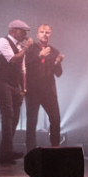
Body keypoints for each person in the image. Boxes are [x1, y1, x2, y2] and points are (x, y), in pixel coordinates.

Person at [0, 20, 31, 164]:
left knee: (14, 117)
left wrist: (24, 89)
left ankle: (4, 154)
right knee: (8, 113)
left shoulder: (20, 47)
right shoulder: (3, 42)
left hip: (15, 85)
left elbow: (23, 70)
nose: (26, 34)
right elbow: (13, 61)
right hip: (1, 82)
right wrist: (26, 48)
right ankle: (8, 150)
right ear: (14, 30)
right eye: (23, 31)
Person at [25, 23, 64, 151]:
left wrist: (57, 63)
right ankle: (31, 150)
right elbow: (26, 66)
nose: (44, 34)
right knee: (32, 120)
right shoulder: (31, 49)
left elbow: (58, 74)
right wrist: (39, 56)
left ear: (50, 35)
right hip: (33, 89)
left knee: (55, 118)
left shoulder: (54, 51)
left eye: (47, 32)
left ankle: (55, 147)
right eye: (42, 32)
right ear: (37, 34)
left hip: (48, 90)